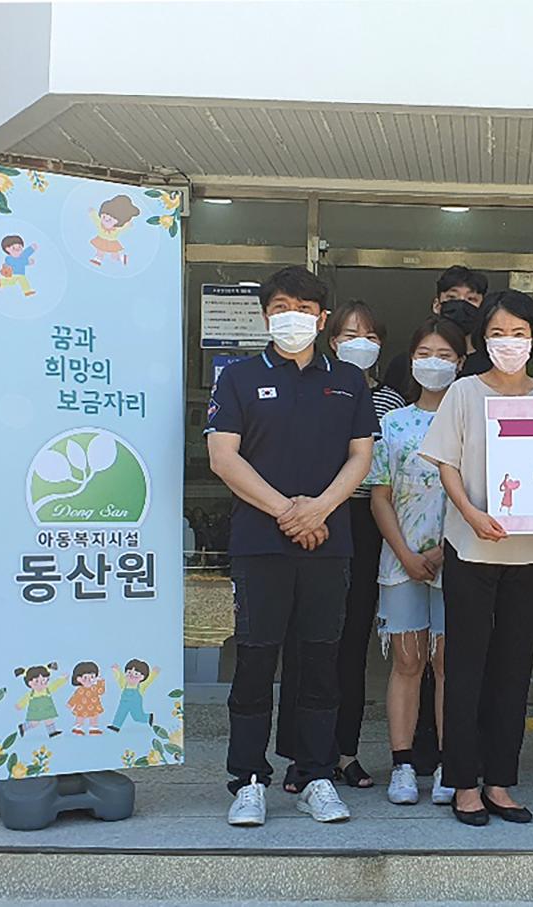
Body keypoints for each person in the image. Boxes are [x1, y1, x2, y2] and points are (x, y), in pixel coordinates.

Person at [207, 265, 375, 827]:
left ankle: (315, 775)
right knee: (256, 659)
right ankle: (248, 779)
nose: (292, 318)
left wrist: (319, 509)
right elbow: (223, 457)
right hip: (261, 543)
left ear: (322, 319)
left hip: (329, 542)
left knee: (321, 660)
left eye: (304, 309)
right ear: (265, 317)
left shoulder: (349, 381)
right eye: (281, 307)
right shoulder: (237, 378)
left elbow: (361, 456)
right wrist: (289, 512)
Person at [418, 290, 533, 827]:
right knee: (466, 667)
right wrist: (472, 514)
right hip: (472, 545)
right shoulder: (463, 392)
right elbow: (447, 464)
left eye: (519, 333)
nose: (509, 343)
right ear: (482, 339)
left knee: (515, 668)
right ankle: (463, 783)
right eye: (498, 333)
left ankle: (500, 781)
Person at [275, 301, 406, 792]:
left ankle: (345, 752)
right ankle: (301, 755)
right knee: (305, 640)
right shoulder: (311, 385)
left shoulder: (391, 401)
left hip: (367, 520)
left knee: (351, 642)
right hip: (310, 518)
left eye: (369, 336)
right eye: (350, 335)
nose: (359, 344)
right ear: (331, 340)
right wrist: (307, 512)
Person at [367, 317, 468, 807]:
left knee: (450, 663)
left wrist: (443, 550)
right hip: (400, 559)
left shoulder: (471, 423)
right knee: (407, 661)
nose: (434, 363)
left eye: (445, 355)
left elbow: (479, 496)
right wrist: (407, 554)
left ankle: (452, 764)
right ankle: (403, 764)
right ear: (411, 361)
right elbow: (379, 497)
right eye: (425, 354)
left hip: (461, 558)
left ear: (461, 363)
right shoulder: (392, 424)